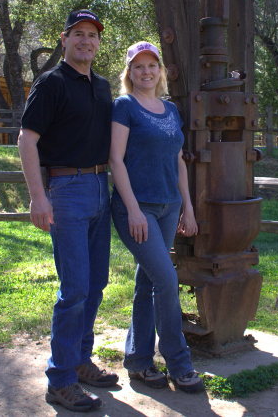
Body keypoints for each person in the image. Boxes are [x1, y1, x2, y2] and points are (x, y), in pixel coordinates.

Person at [18, 9, 118, 412]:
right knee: (74, 287)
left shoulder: (104, 86)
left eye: (92, 35)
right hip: (66, 190)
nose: (86, 41)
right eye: (78, 34)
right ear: (64, 39)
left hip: (99, 186)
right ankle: (59, 380)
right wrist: (38, 196)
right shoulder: (51, 83)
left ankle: (79, 360)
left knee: (96, 283)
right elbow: (27, 140)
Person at [108, 41, 204, 393]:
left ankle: (138, 362)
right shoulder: (124, 107)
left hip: (168, 207)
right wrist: (132, 208)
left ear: (160, 71)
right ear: (129, 73)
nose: (145, 72)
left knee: (148, 282)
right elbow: (115, 160)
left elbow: (178, 161)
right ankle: (180, 364)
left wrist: (187, 207)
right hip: (137, 207)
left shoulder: (170, 110)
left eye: (152, 66)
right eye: (138, 67)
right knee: (166, 281)